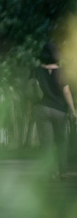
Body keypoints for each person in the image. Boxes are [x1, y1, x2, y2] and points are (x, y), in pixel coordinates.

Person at [31, 42, 77, 179]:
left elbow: (31, 91)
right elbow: (66, 92)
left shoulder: (36, 71)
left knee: (46, 143)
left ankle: (50, 172)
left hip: (42, 109)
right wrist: (73, 111)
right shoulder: (62, 72)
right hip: (59, 110)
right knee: (62, 141)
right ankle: (62, 172)